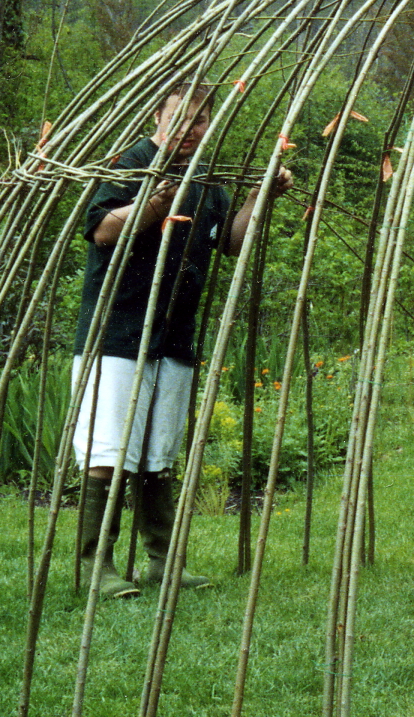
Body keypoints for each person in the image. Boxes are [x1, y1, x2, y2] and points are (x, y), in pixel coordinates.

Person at [69, 81, 292, 599]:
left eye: (200, 121)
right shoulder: (129, 164)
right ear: (157, 115)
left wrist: (260, 195)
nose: (191, 130)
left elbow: (230, 243)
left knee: (157, 451)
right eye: (182, 118)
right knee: (109, 449)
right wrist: (159, 197)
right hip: (118, 333)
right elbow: (103, 229)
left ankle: (162, 563)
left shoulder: (210, 184)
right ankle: (94, 567)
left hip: (174, 337)